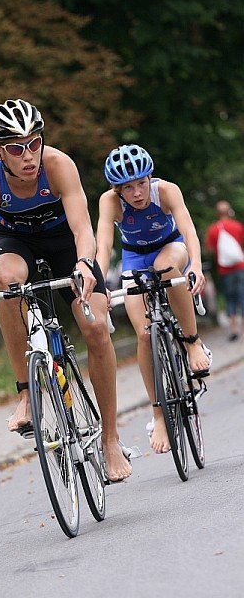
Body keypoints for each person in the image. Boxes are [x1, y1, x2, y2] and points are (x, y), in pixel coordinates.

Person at [0, 98, 131, 481]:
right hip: (17, 244)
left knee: (97, 329)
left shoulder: (58, 165)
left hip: (68, 246)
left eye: (35, 142)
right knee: (7, 280)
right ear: (0, 152)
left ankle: (111, 440)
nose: (29, 154)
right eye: (17, 148)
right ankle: (26, 394)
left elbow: (84, 230)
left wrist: (85, 263)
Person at [96, 144, 212, 454]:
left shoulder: (167, 191)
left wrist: (196, 267)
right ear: (117, 190)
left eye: (141, 183)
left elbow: (187, 229)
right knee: (145, 334)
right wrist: (100, 284)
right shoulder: (110, 202)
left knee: (164, 268)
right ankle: (159, 415)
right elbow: (104, 245)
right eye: (127, 188)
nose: (135, 193)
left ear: (150, 178)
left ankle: (192, 342)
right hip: (134, 257)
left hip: (170, 247)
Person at [205, 200, 244, 341]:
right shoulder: (237, 226)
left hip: (224, 270)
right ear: (229, 211)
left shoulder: (213, 229)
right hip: (240, 267)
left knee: (229, 298)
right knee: (242, 295)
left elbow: (210, 248)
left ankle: (234, 329)